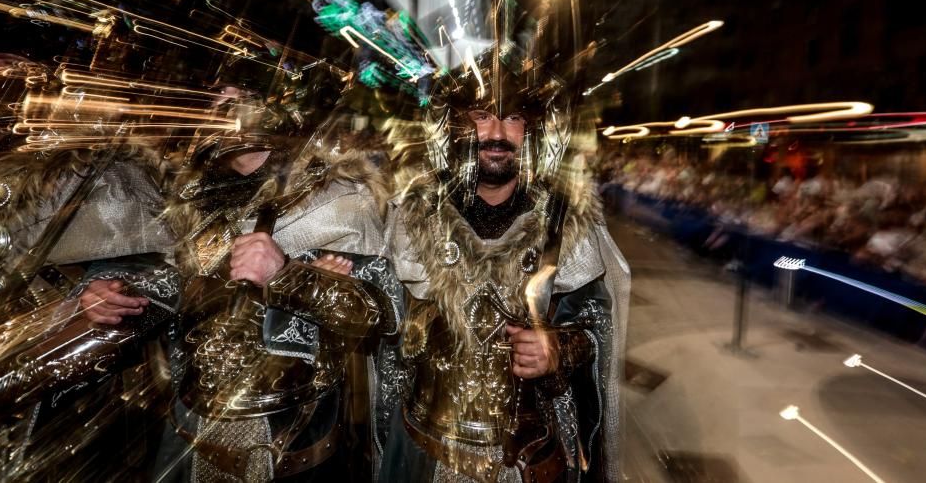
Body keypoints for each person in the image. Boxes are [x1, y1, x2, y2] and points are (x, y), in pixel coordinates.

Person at [380, 45, 629, 483]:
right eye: (480, 115)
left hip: (524, 456)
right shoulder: (414, 213)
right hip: (423, 447)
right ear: (456, 126)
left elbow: (596, 327)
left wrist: (558, 349)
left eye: (513, 118)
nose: (496, 133)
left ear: (531, 130)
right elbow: (385, 326)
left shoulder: (564, 221)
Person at [154, 84, 400, 482]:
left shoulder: (340, 200)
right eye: (214, 102)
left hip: (299, 430)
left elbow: (379, 316)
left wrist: (290, 275)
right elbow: (177, 301)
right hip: (196, 419)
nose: (225, 112)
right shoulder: (192, 204)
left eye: (238, 99)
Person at [0, 55, 179, 480]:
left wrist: (4, 382)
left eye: (1, 83)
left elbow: (150, 281)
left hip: (49, 400)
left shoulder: (103, 172)